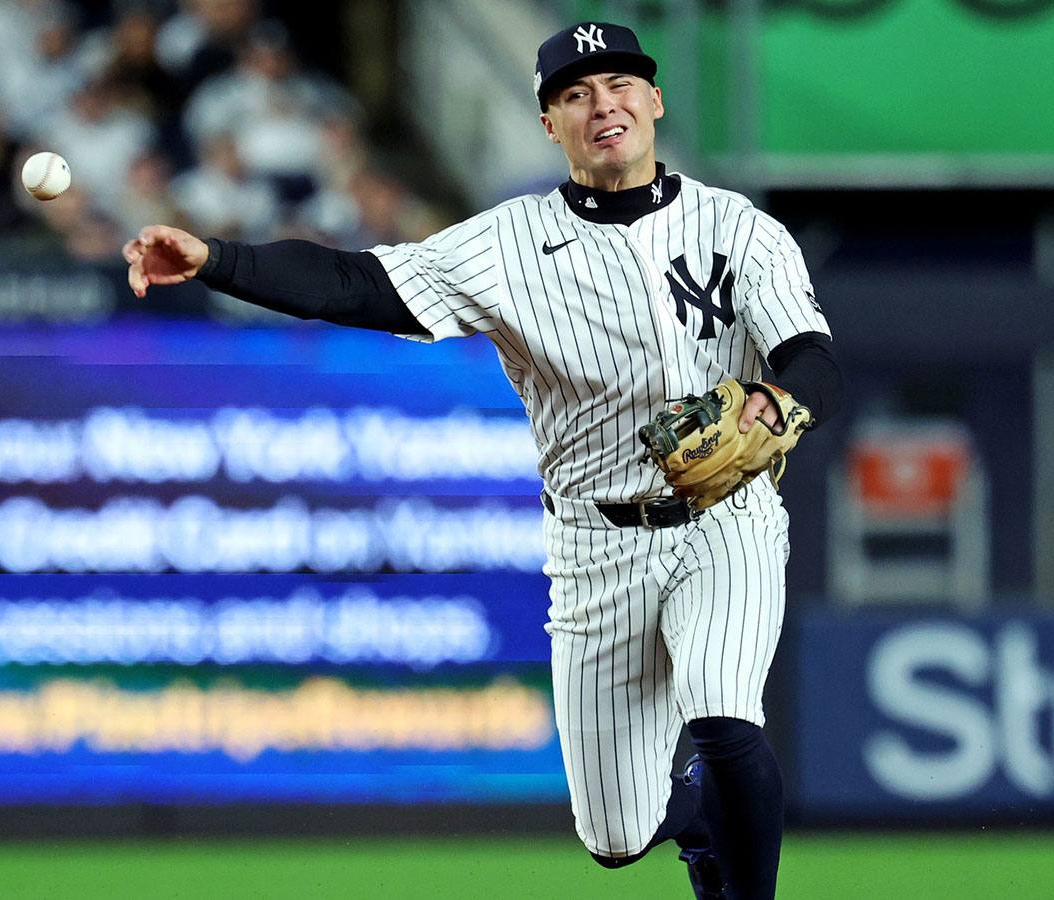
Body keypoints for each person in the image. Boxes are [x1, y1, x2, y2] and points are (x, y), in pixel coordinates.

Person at [123, 22, 842, 900]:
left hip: (725, 520)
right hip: (595, 544)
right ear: (550, 125)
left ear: (653, 101)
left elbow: (811, 357)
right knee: (615, 835)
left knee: (723, 714)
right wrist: (216, 260)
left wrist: (771, 401)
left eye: (619, 84)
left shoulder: (741, 227)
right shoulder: (505, 244)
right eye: (575, 94)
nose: (602, 104)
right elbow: (358, 285)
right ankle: (696, 823)